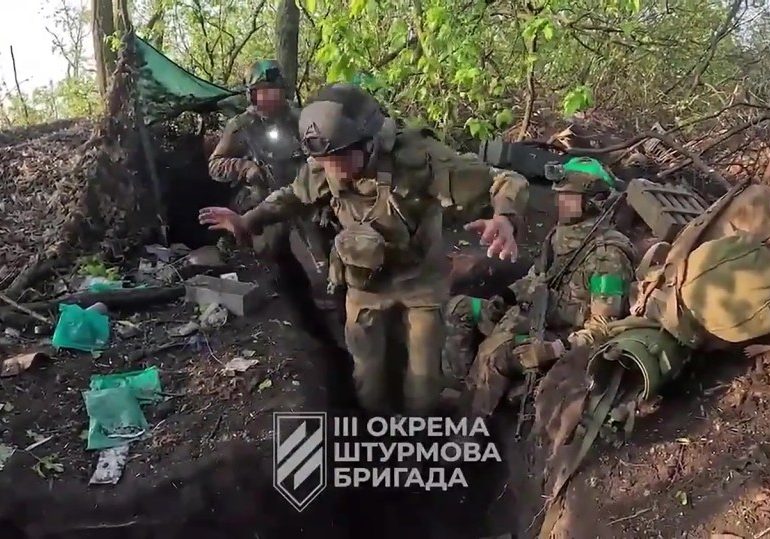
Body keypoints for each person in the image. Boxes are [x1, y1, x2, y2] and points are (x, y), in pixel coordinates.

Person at [199, 83, 529, 415]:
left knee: (423, 380)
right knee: (368, 378)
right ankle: (376, 437)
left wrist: (504, 217)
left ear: (370, 142)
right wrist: (247, 220)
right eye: (325, 161)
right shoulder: (325, 161)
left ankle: (415, 445)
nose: (332, 169)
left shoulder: (418, 158)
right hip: (364, 284)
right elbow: (293, 196)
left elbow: (504, 180)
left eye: (340, 158)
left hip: (419, 281)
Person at [443, 157, 637, 416]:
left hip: (552, 339)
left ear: (594, 200)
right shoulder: (558, 237)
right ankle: (458, 390)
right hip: (527, 316)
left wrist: (554, 350)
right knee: (460, 308)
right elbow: (537, 277)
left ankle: (470, 427)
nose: (559, 201)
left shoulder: (608, 255)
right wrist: (504, 298)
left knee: (497, 352)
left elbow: (603, 327)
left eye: (568, 196)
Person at [207, 60, 339, 340]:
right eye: (262, 91)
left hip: (302, 194)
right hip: (262, 197)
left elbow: (325, 155)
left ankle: (327, 296)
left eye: (274, 90)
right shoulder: (241, 126)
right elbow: (215, 164)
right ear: (252, 94)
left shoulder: (299, 118)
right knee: (273, 248)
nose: (269, 97)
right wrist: (244, 168)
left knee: (320, 249)